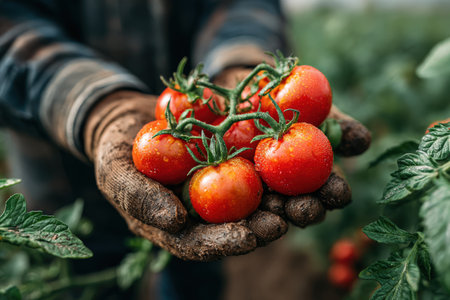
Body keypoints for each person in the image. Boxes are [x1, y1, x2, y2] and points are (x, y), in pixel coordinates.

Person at [0, 0, 370, 299]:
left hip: (194, 142)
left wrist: (243, 60)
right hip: (56, 157)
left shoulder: (236, 132)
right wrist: (98, 109)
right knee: (87, 267)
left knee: (199, 267)